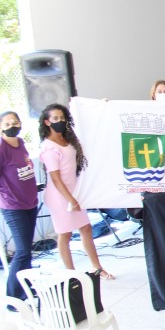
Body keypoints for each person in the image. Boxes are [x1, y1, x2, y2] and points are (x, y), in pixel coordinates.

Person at [37, 105, 112, 279]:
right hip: (59, 196)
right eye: (55, 119)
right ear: (47, 122)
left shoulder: (67, 139)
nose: (60, 121)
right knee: (65, 234)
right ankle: (71, 274)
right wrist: (70, 199)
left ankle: (97, 267)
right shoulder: (49, 148)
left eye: (62, 118)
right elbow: (56, 179)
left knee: (86, 228)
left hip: (74, 192)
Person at [0, 111, 38, 298]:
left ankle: (26, 288)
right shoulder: (2, 148)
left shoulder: (21, 143)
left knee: (27, 250)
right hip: (13, 206)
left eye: (15, 122)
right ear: (1, 127)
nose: (12, 126)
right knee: (22, 251)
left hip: (30, 202)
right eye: (7, 124)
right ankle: (13, 296)